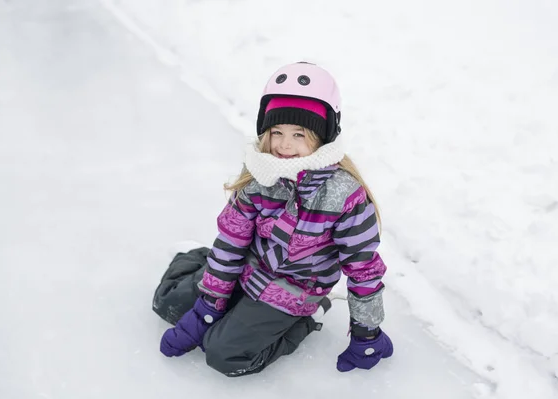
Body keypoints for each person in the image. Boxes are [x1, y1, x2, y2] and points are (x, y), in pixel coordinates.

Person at [152, 61, 393, 377]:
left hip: (293, 291)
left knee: (223, 354)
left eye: (299, 134)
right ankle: (198, 260)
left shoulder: (343, 194)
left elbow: (363, 269)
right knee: (166, 304)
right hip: (246, 269)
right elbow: (231, 242)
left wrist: (368, 332)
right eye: (276, 132)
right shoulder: (260, 175)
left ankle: (303, 322)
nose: (285, 145)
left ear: (322, 137)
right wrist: (208, 308)